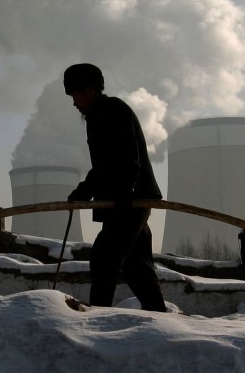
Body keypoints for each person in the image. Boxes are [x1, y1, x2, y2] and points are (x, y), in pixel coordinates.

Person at [63, 63, 167, 312]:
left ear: (87, 91)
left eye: (74, 95)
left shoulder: (111, 112)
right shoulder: (101, 114)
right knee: (136, 265)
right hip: (127, 200)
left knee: (103, 259)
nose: (74, 102)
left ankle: (98, 316)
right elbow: (105, 165)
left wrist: (124, 194)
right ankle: (159, 316)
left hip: (129, 201)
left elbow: (127, 159)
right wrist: (84, 191)